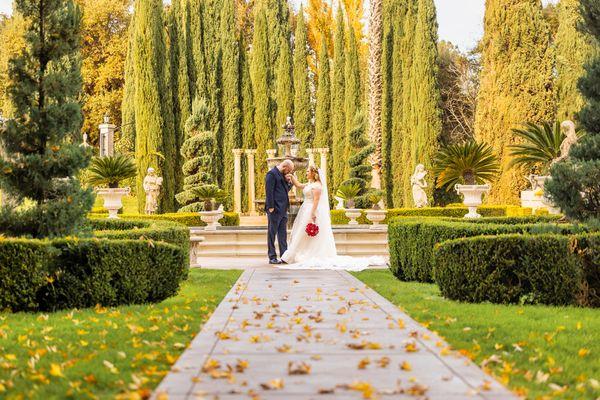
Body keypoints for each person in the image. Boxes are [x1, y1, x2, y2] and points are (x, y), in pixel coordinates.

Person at [280, 165, 384, 270]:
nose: (306, 173)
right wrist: (291, 177)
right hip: (305, 209)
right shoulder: (310, 184)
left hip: (311, 210)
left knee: (302, 232)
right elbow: (298, 185)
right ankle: (292, 255)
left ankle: (291, 256)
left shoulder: (317, 186)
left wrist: (312, 215)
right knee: (301, 232)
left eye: (308, 171)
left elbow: (316, 201)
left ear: (313, 173)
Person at [265, 159, 294, 264]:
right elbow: (269, 191)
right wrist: (270, 206)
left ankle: (284, 256)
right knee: (272, 233)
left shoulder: (282, 175)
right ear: (285, 167)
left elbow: (284, 190)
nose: (289, 172)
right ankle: (272, 257)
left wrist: (289, 183)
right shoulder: (271, 174)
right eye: (289, 170)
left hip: (283, 209)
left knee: (283, 234)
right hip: (275, 209)